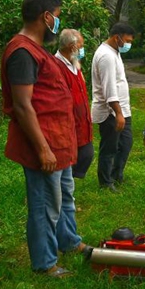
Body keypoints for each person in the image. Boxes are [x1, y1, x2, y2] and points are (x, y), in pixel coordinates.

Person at [0, 0, 86, 277]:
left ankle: (69, 241)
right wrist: (43, 149)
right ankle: (45, 262)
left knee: (64, 197)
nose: (57, 23)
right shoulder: (22, 52)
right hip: (44, 146)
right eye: (57, 17)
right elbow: (23, 106)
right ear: (46, 17)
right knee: (44, 205)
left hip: (59, 144)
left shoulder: (36, 50)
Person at [92, 22, 135, 192]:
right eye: (127, 40)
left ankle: (116, 175)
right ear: (117, 37)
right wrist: (118, 113)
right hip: (111, 112)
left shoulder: (114, 52)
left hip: (122, 109)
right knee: (109, 147)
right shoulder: (106, 56)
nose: (128, 44)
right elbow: (108, 87)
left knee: (125, 143)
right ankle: (105, 182)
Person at [55, 29, 93, 179]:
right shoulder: (56, 67)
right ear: (72, 47)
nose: (82, 50)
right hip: (66, 129)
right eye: (81, 46)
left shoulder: (74, 64)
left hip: (81, 126)